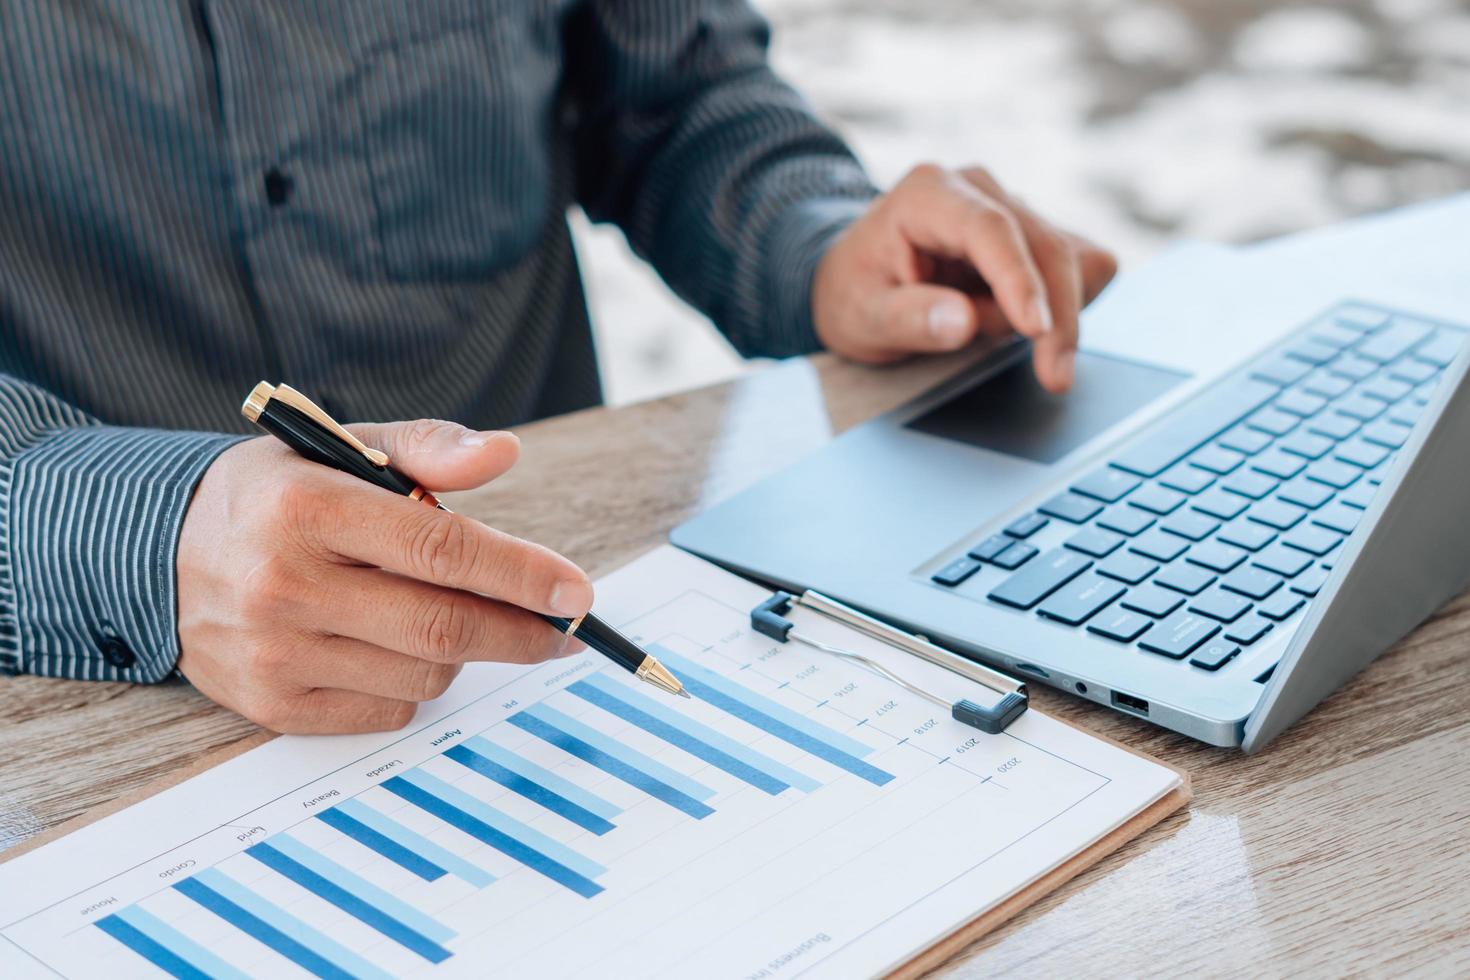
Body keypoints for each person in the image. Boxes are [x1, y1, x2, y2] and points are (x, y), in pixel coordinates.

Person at [0, 1, 1115, 733]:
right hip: (90, 705)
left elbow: (673, 93)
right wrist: (149, 535)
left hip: (547, 637)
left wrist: (819, 244)